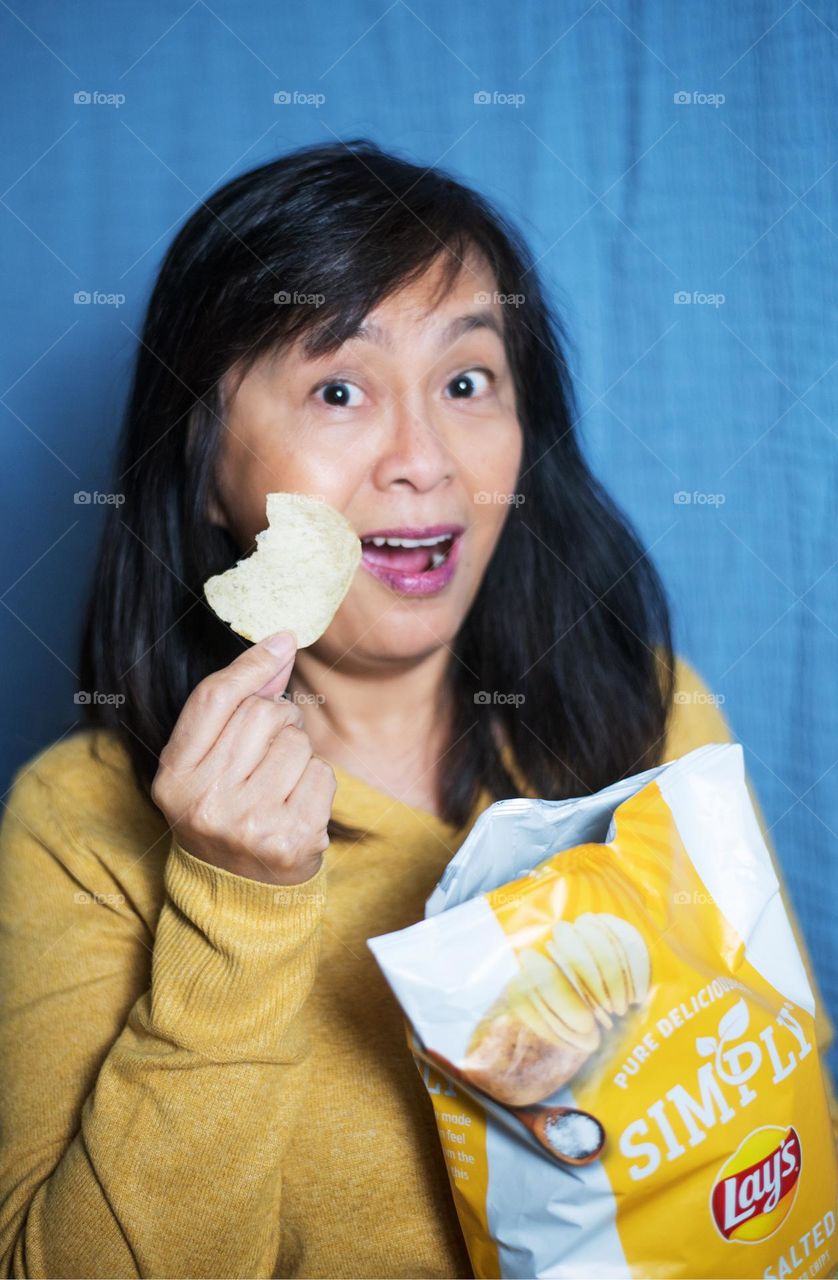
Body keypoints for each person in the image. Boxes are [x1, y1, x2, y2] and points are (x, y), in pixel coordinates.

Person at [1, 138, 834, 1279]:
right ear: (203, 468)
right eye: (338, 388)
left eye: (465, 381)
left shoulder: (653, 715)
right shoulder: (76, 825)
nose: (422, 458)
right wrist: (233, 906)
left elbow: (781, 1149)